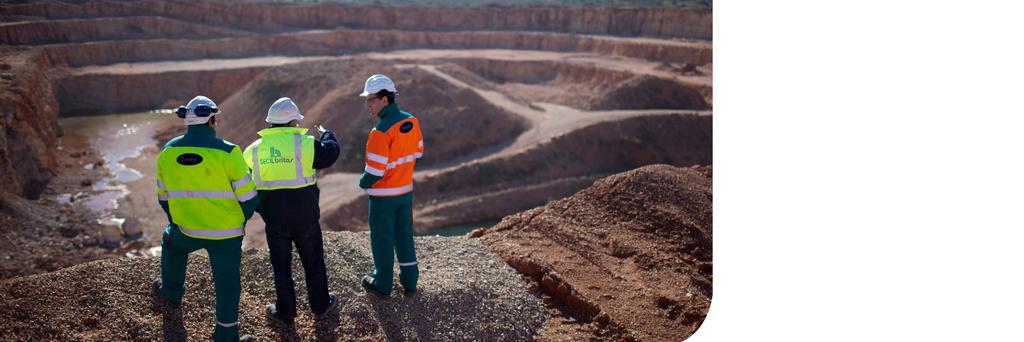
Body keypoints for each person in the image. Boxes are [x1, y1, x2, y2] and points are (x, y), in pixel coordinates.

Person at [153, 95, 257, 342]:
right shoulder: (229, 152)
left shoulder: (167, 152)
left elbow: (163, 198)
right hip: (226, 235)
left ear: (188, 122)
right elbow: (250, 199)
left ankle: (171, 292)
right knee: (227, 284)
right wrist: (239, 222)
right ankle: (226, 334)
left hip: (186, 229)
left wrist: (177, 220)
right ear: (212, 121)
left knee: (170, 243)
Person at [242, 97, 341, 325]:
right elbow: (330, 154)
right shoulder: (304, 144)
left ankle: (286, 312)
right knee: (313, 262)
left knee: (281, 265)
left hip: (274, 220)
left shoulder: (252, 151)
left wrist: (258, 207)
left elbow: (242, 181)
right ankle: (321, 305)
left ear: (270, 124)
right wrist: (328, 135)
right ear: (293, 122)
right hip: (305, 218)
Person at [357, 74, 424, 297]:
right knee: (404, 235)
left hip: (383, 198)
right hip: (405, 192)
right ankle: (410, 280)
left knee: (382, 238)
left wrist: (363, 182)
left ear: (385, 99)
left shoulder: (380, 132)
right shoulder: (412, 121)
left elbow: (374, 172)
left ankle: (382, 282)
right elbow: (418, 154)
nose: (368, 104)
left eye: (371, 99)